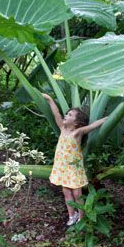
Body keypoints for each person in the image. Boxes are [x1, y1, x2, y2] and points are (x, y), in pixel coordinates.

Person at [42, 93, 107, 226]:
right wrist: (49, 100)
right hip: (62, 167)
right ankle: (72, 216)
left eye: (70, 115)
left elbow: (93, 126)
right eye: (67, 114)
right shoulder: (62, 129)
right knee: (66, 192)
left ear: (77, 123)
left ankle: (81, 216)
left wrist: (106, 119)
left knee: (77, 193)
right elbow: (56, 114)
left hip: (74, 168)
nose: (66, 115)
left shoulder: (77, 133)